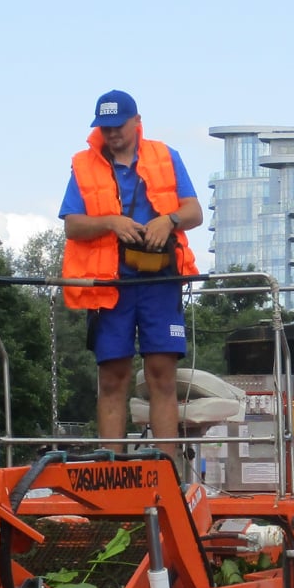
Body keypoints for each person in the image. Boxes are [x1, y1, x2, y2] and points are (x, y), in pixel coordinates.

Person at [59, 89, 203, 449]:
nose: (112, 134)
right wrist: (111, 222)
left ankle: (167, 471)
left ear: (137, 122)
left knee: (161, 376)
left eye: (118, 126)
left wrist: (167, 221)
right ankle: (112, 472)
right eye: (104, 127)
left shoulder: (166, 156)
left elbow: (195, 213)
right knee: (112, 377)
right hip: (110, 285)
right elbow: (72, 226)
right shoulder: (83, 164)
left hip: (161, 281)